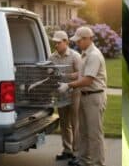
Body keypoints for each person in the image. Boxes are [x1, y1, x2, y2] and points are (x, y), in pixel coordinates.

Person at [58, 26, 107, 166]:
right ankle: (84, 161)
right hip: (84, 96)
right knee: (84, 131)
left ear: (87, 39)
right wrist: (64, 76)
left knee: (94, 134)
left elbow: (88, 80)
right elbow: (81, 75)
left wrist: (68, 85)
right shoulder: (85, 54)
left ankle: (98, 163)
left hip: (94, 97)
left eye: (79, 41)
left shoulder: (94, 56)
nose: (76, 43)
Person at [49, 31, 82, 161]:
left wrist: (69, 77)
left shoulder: (75, 56)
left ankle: (77, 153)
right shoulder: (52, 58)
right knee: (64, 123)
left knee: (75, 123)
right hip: (60, 94)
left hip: (75, 93)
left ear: (66, 42)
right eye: (55, 42)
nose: (56, 45)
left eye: (58, 42)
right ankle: (67, 149)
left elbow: (81, 74)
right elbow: (49, 74)